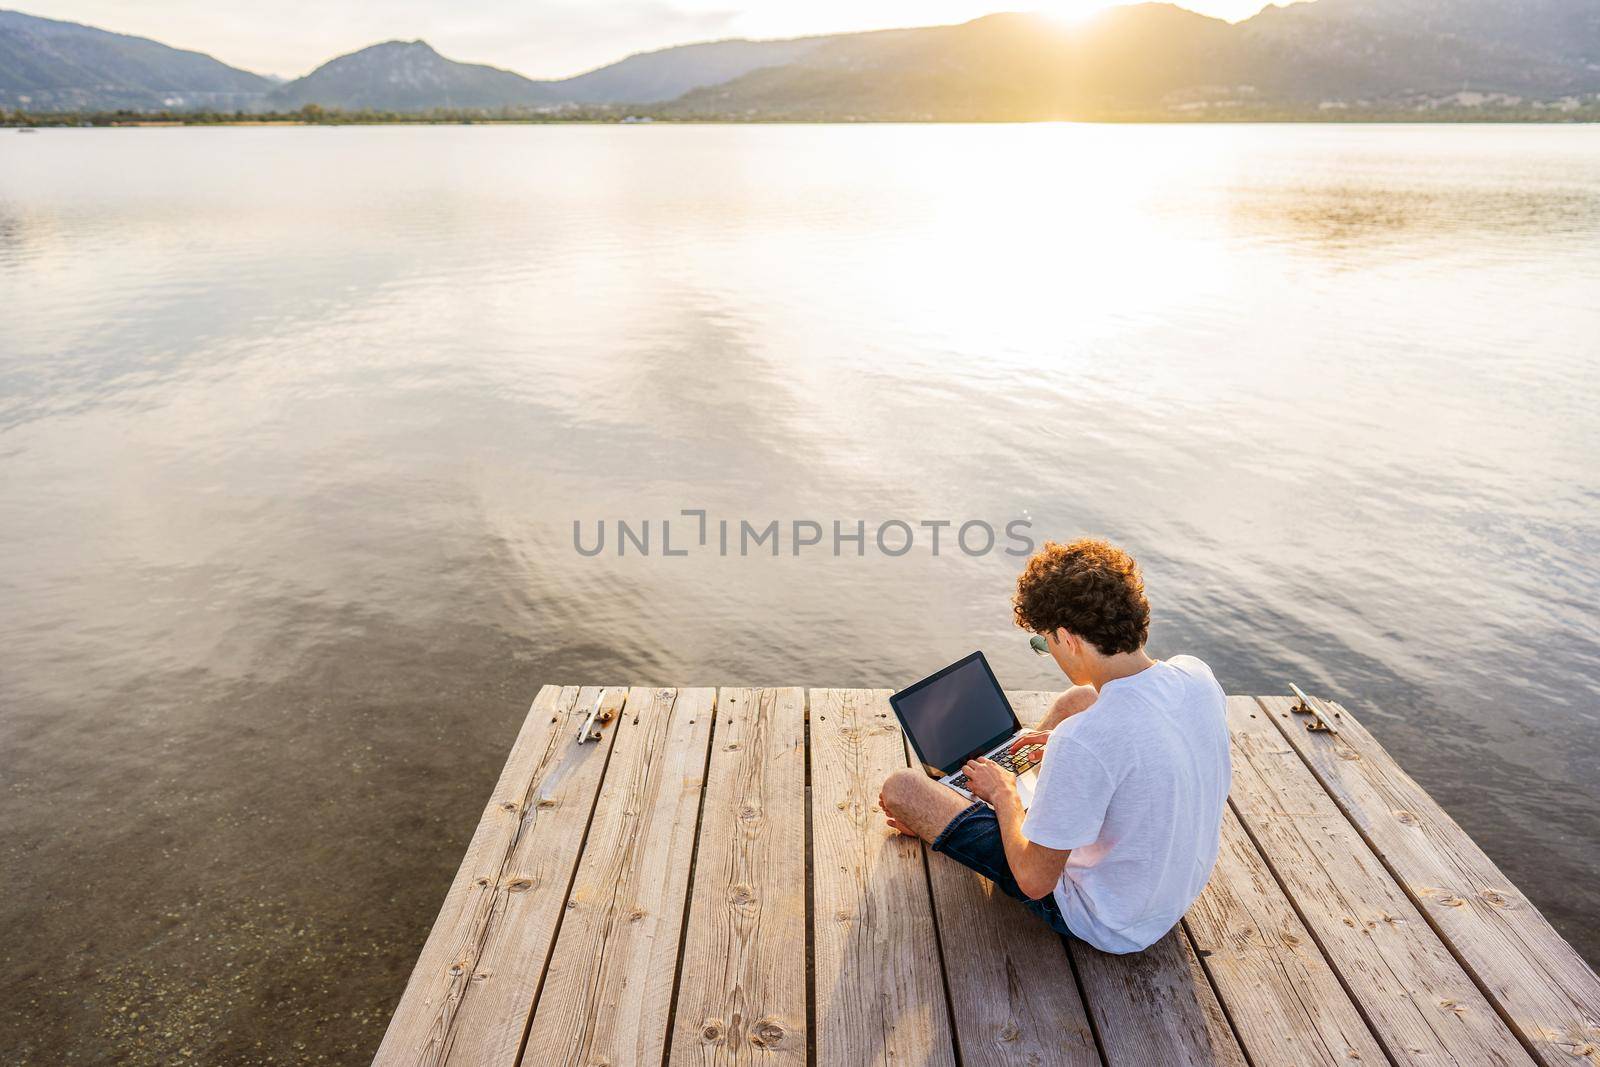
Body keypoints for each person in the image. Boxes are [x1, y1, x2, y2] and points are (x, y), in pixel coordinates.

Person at [878, 538, 1230, 953]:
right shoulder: (1196, 675)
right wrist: (1065, 761)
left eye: (1044, 644)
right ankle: (1008, 791)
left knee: (903, 788)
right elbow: (1126, 738)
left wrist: (1004, 794)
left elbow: (1034, 879)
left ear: (1068, 638)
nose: (1050, 652)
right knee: (1075, 701)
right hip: (1169, 891)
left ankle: (966, 805)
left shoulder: (1083, 742)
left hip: (1108, 919)